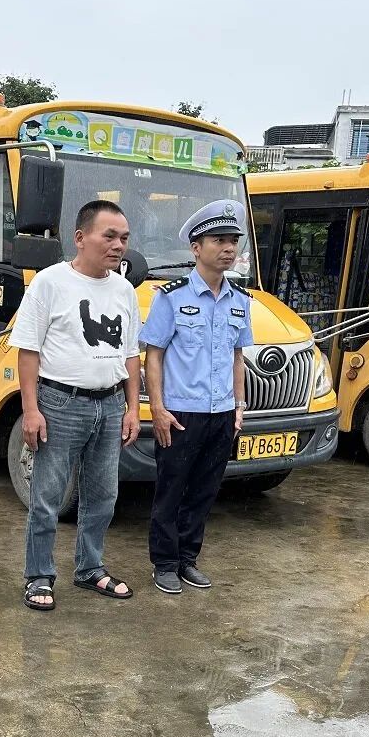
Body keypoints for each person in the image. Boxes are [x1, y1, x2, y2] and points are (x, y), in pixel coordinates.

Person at [10, 199, 142, 611]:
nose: (118, 245)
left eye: (124, 238)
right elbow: (28, 351)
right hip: (59, 404)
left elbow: (131, 354)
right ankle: (38, 576)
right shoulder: (49, 283)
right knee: (47, 497)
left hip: (110, 406)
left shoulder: (123, 289)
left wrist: (132, 408)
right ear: (80, 238)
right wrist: (30, 410)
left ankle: (90, 569)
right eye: (109, 236)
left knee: (104, 495)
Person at [139, 200, 253, 594]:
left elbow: (237, 357)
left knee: (204, 491)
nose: (228, 248)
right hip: (180, 413)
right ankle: (165, 562)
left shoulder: (240, 301)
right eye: (218, 240)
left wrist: (239, 408)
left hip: (221, 414)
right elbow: (153, 354)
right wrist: (157, 407)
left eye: (233, 241)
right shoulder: (171, 298)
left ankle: (188, 558)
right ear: (195, 248)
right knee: (171, 489)